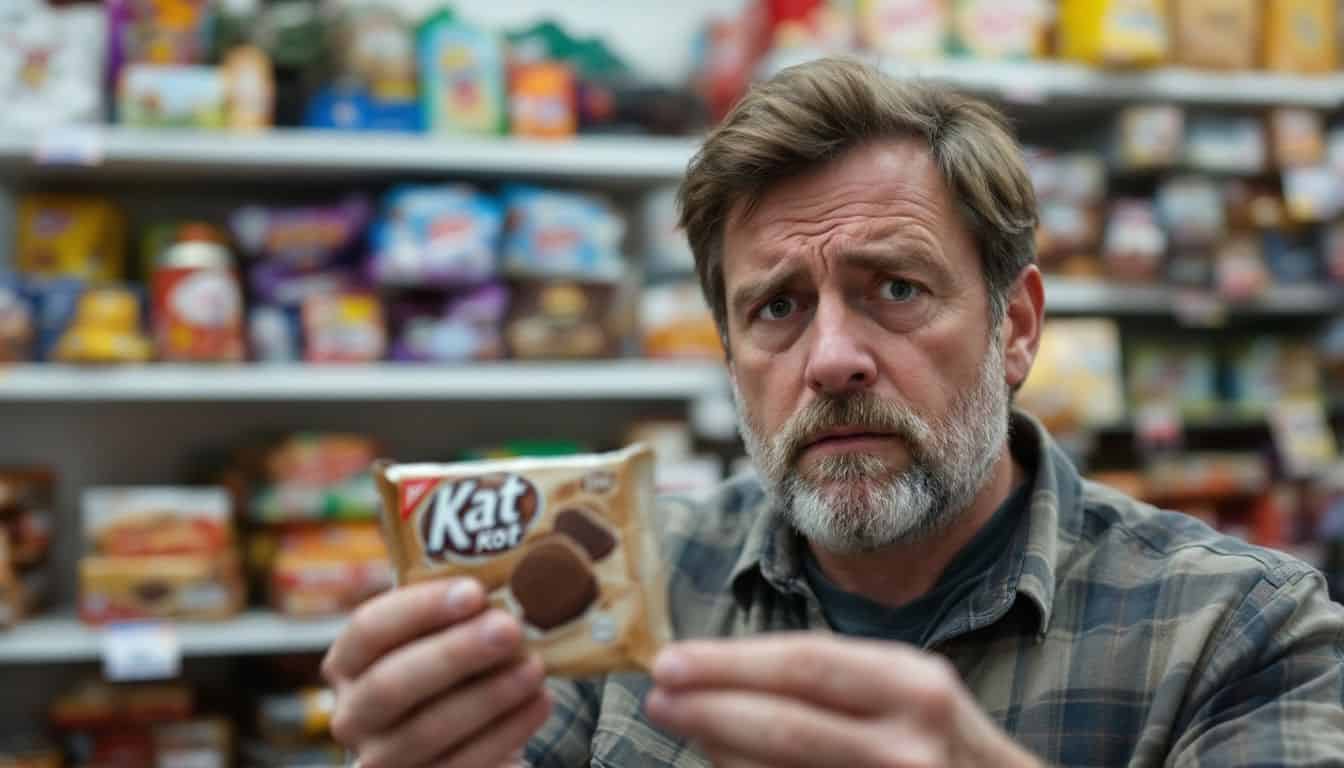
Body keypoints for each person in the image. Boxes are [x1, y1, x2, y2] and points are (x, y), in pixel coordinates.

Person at [322, 58, 1344, 767]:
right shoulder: (624, 584)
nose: (833, 360)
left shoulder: (1239, 630)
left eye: (896, 288)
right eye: (776, 307)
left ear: (1017, 327)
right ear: (730, 357)